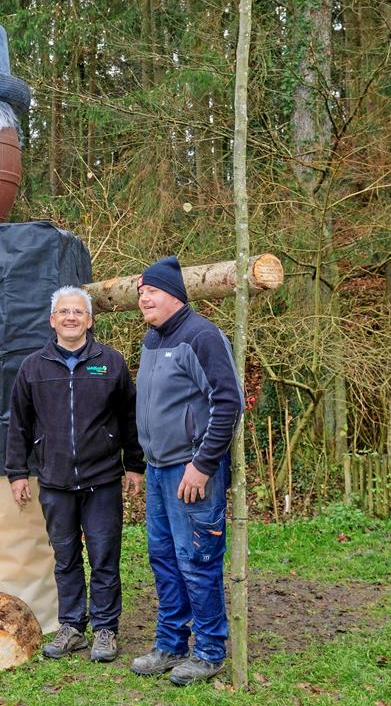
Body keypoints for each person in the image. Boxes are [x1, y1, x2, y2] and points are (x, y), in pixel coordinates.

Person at [5, 286, 144, 663]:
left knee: (103, 555)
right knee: (65, 556)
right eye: (64, 312)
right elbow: (18, 423)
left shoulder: (110, 363)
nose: (71, 317)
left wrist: (134, 464)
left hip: (102, 479)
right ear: (52, 321)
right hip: (55, 480)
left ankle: (105, 629)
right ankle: (71, 626)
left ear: (90, 320)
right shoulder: (33, 367)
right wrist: (17, 473)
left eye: (78, 312)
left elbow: (130, 418)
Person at [129, 256, 243, 686]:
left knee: (197, 560)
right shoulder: (152, 339)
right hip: (159, 471)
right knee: (164, 560)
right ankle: (170, 644)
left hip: (191, 472)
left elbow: (227, 402)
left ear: (174, 294)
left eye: (151, 292)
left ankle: (210, 651)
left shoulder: (202, 336)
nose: (143, 300)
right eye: (140, 294)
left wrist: (203, 464)